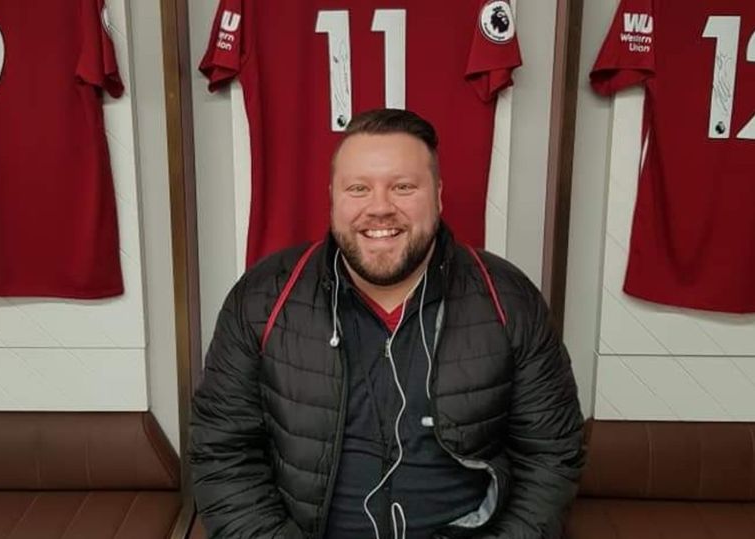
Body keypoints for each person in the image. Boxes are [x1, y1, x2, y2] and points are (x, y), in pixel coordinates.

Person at [190, 109, 585, 539]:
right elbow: (222, 453)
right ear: (333, 199)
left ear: (438, 196)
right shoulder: (262, 297)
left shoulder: (509, 299)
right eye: (358, 188)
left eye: (403, 187)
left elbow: (551, 455)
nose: (379, 208)